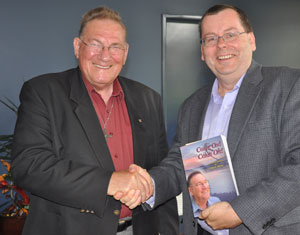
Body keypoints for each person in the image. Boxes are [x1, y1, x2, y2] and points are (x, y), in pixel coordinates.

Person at [120, 3, 300, 235]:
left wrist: (241, 211)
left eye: (231, 34)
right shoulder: (192, 105)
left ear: (252, 40)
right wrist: (149, 185)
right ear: (203, 52)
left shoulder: (289, 86)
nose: (222, 44)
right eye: (211, 39)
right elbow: (179, 163)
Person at [11, 6, 179, 235]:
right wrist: (109, 182)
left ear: (126, 53)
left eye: (114, 47)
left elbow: (162, 171)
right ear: (77, 47)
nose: (105, 55)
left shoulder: (149, 99)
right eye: (96, 44)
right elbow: (29, 165)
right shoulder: (43, 92)